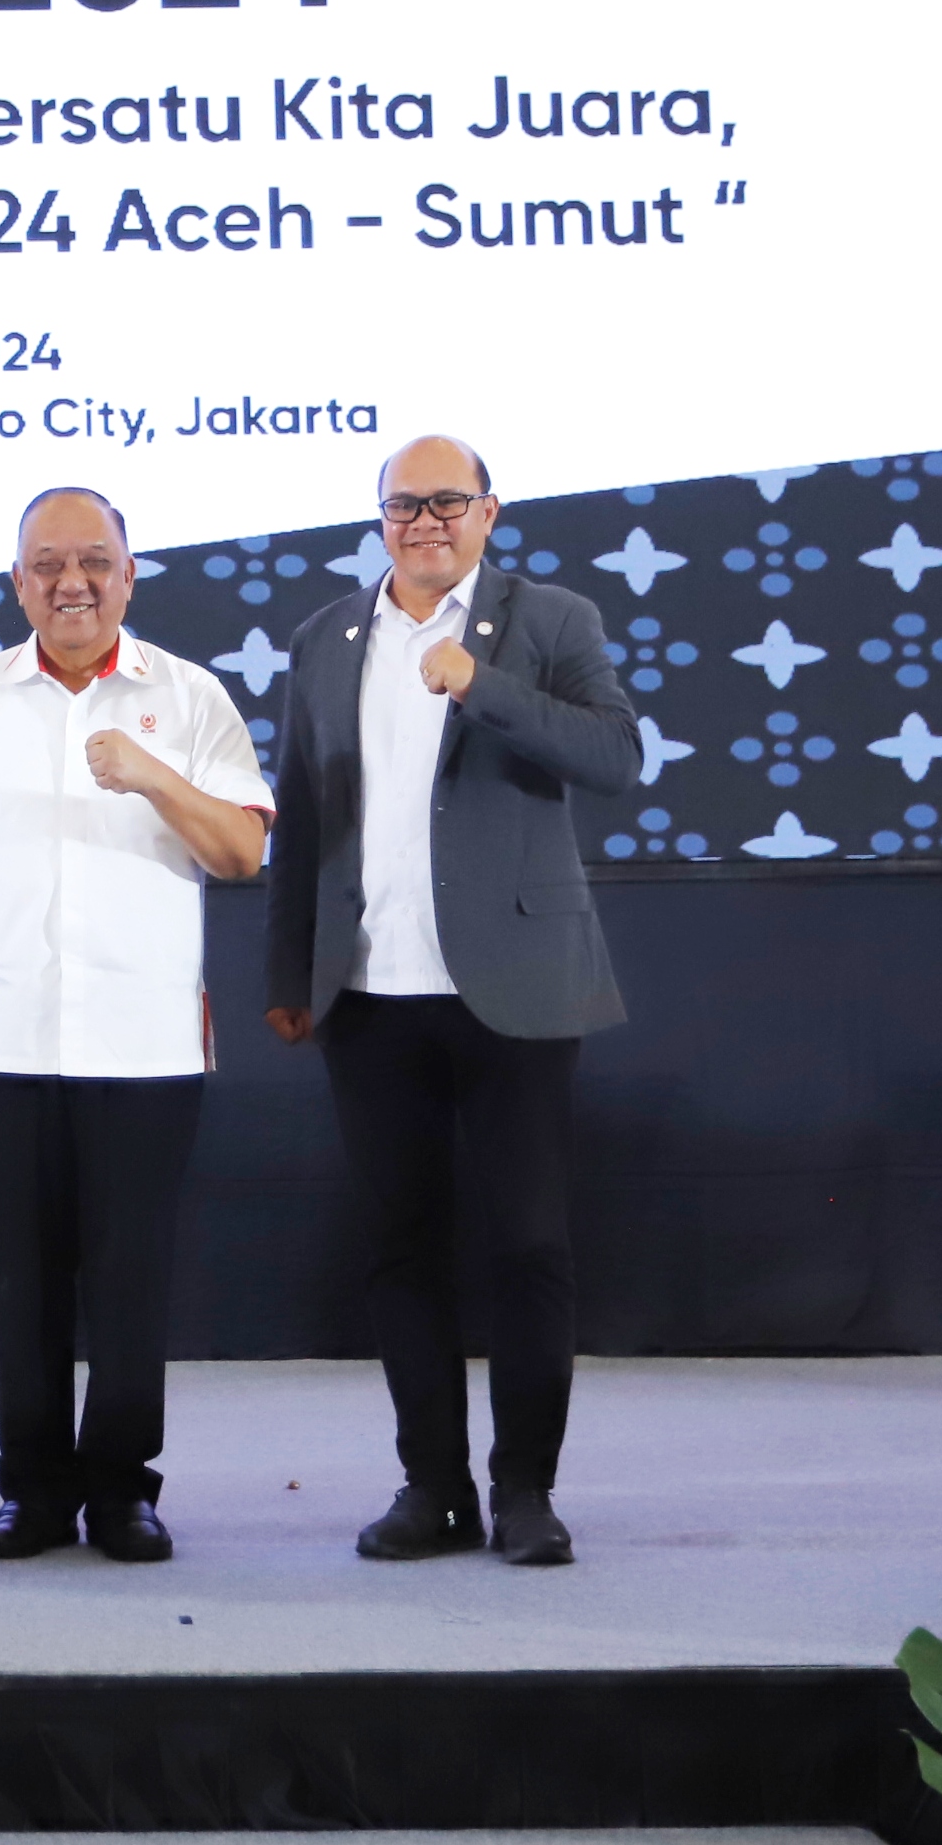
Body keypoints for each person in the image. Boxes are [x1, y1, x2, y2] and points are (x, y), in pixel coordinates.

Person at [262, 435, 641, 1569]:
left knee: (526, 1244)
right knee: (400, 1247)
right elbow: (300, 809)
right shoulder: (324, 637)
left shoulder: (551, 619)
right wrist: (288, 972)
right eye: (402, 505)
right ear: (378, 518)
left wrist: (482, 684)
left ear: (488, 511)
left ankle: (524, 1487)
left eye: (446, 501)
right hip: (369, 990)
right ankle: (430, 1487)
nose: (423, 521)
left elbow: (614, 755)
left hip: (515, 985)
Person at [0, 488, 271, 1562]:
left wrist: (150, 775)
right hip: (1, 1040)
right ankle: (34, 1491)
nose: (72, 582)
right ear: (17, 584)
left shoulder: (187, 697)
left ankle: (121, 1490)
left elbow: (242, 851)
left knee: (130, 1281)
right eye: (47, 564)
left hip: (142, 1046)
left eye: (94, 561)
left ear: (129, 574)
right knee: (17, 1284)